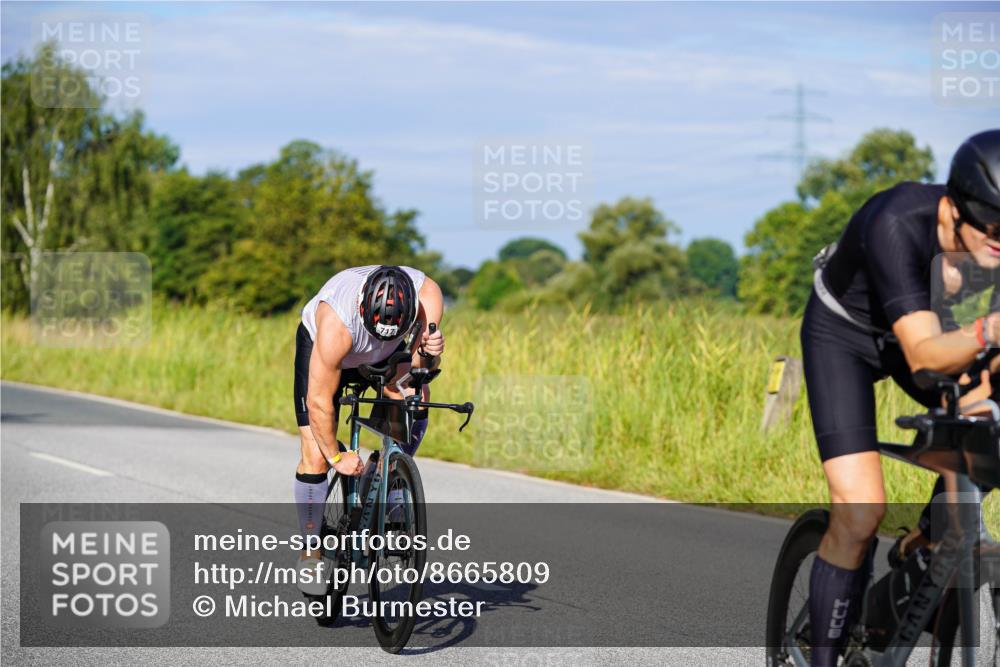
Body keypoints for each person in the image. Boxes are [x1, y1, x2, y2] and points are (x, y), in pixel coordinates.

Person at [802, 129, 1000, 665]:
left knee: (989, 419)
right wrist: (989, 331)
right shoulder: (896, 221)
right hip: (846, 337)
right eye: (990, 224)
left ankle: (930, 539)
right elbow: (924, 356)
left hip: (938, 332)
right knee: (861, 512)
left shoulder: (986, 235)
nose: (999, 239)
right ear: (953, 208)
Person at [291, 265, 444, 595]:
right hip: (331, 354)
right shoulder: (336, 321)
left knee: (415, 397)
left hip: (387, 356)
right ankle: (311, 550)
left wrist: (428, 355)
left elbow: (420, 371)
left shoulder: (428, 296)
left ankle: (387, 474)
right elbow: (318, 401)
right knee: (315, 454)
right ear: (363, 308)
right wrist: (336, 457)